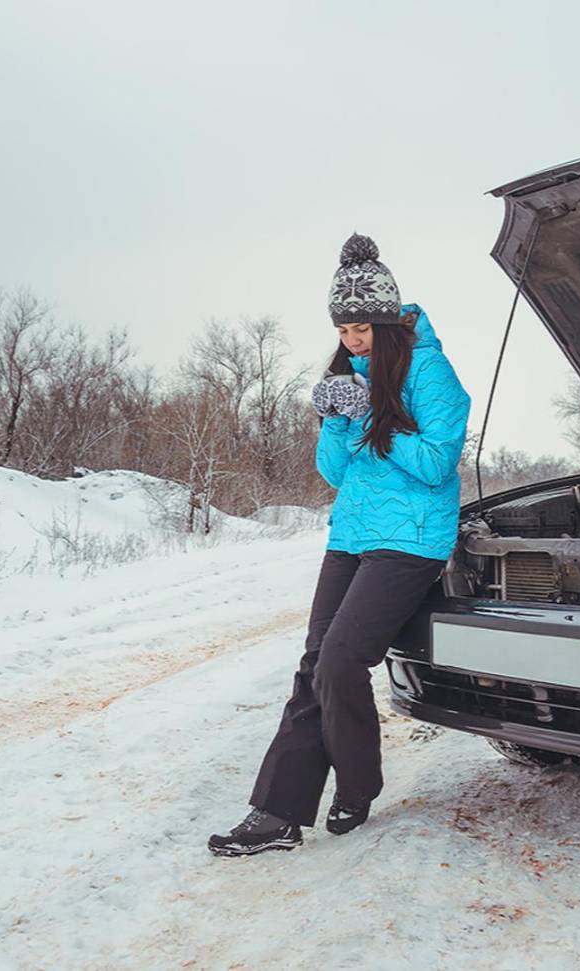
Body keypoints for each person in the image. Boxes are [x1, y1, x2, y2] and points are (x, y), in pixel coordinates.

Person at [208, 233, 471, 856]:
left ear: (388, 322)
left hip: (411, 540)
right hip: (352, 533)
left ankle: (357, 784)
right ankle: (276, 814)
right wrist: (334, 419)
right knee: (314, 663)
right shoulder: (347, 374)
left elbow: (436, 462)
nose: (353, 340)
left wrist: (374, 420)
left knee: (340, 661)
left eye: (362, 328)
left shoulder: (430, 372)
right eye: (343, 328)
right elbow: (334, 473)